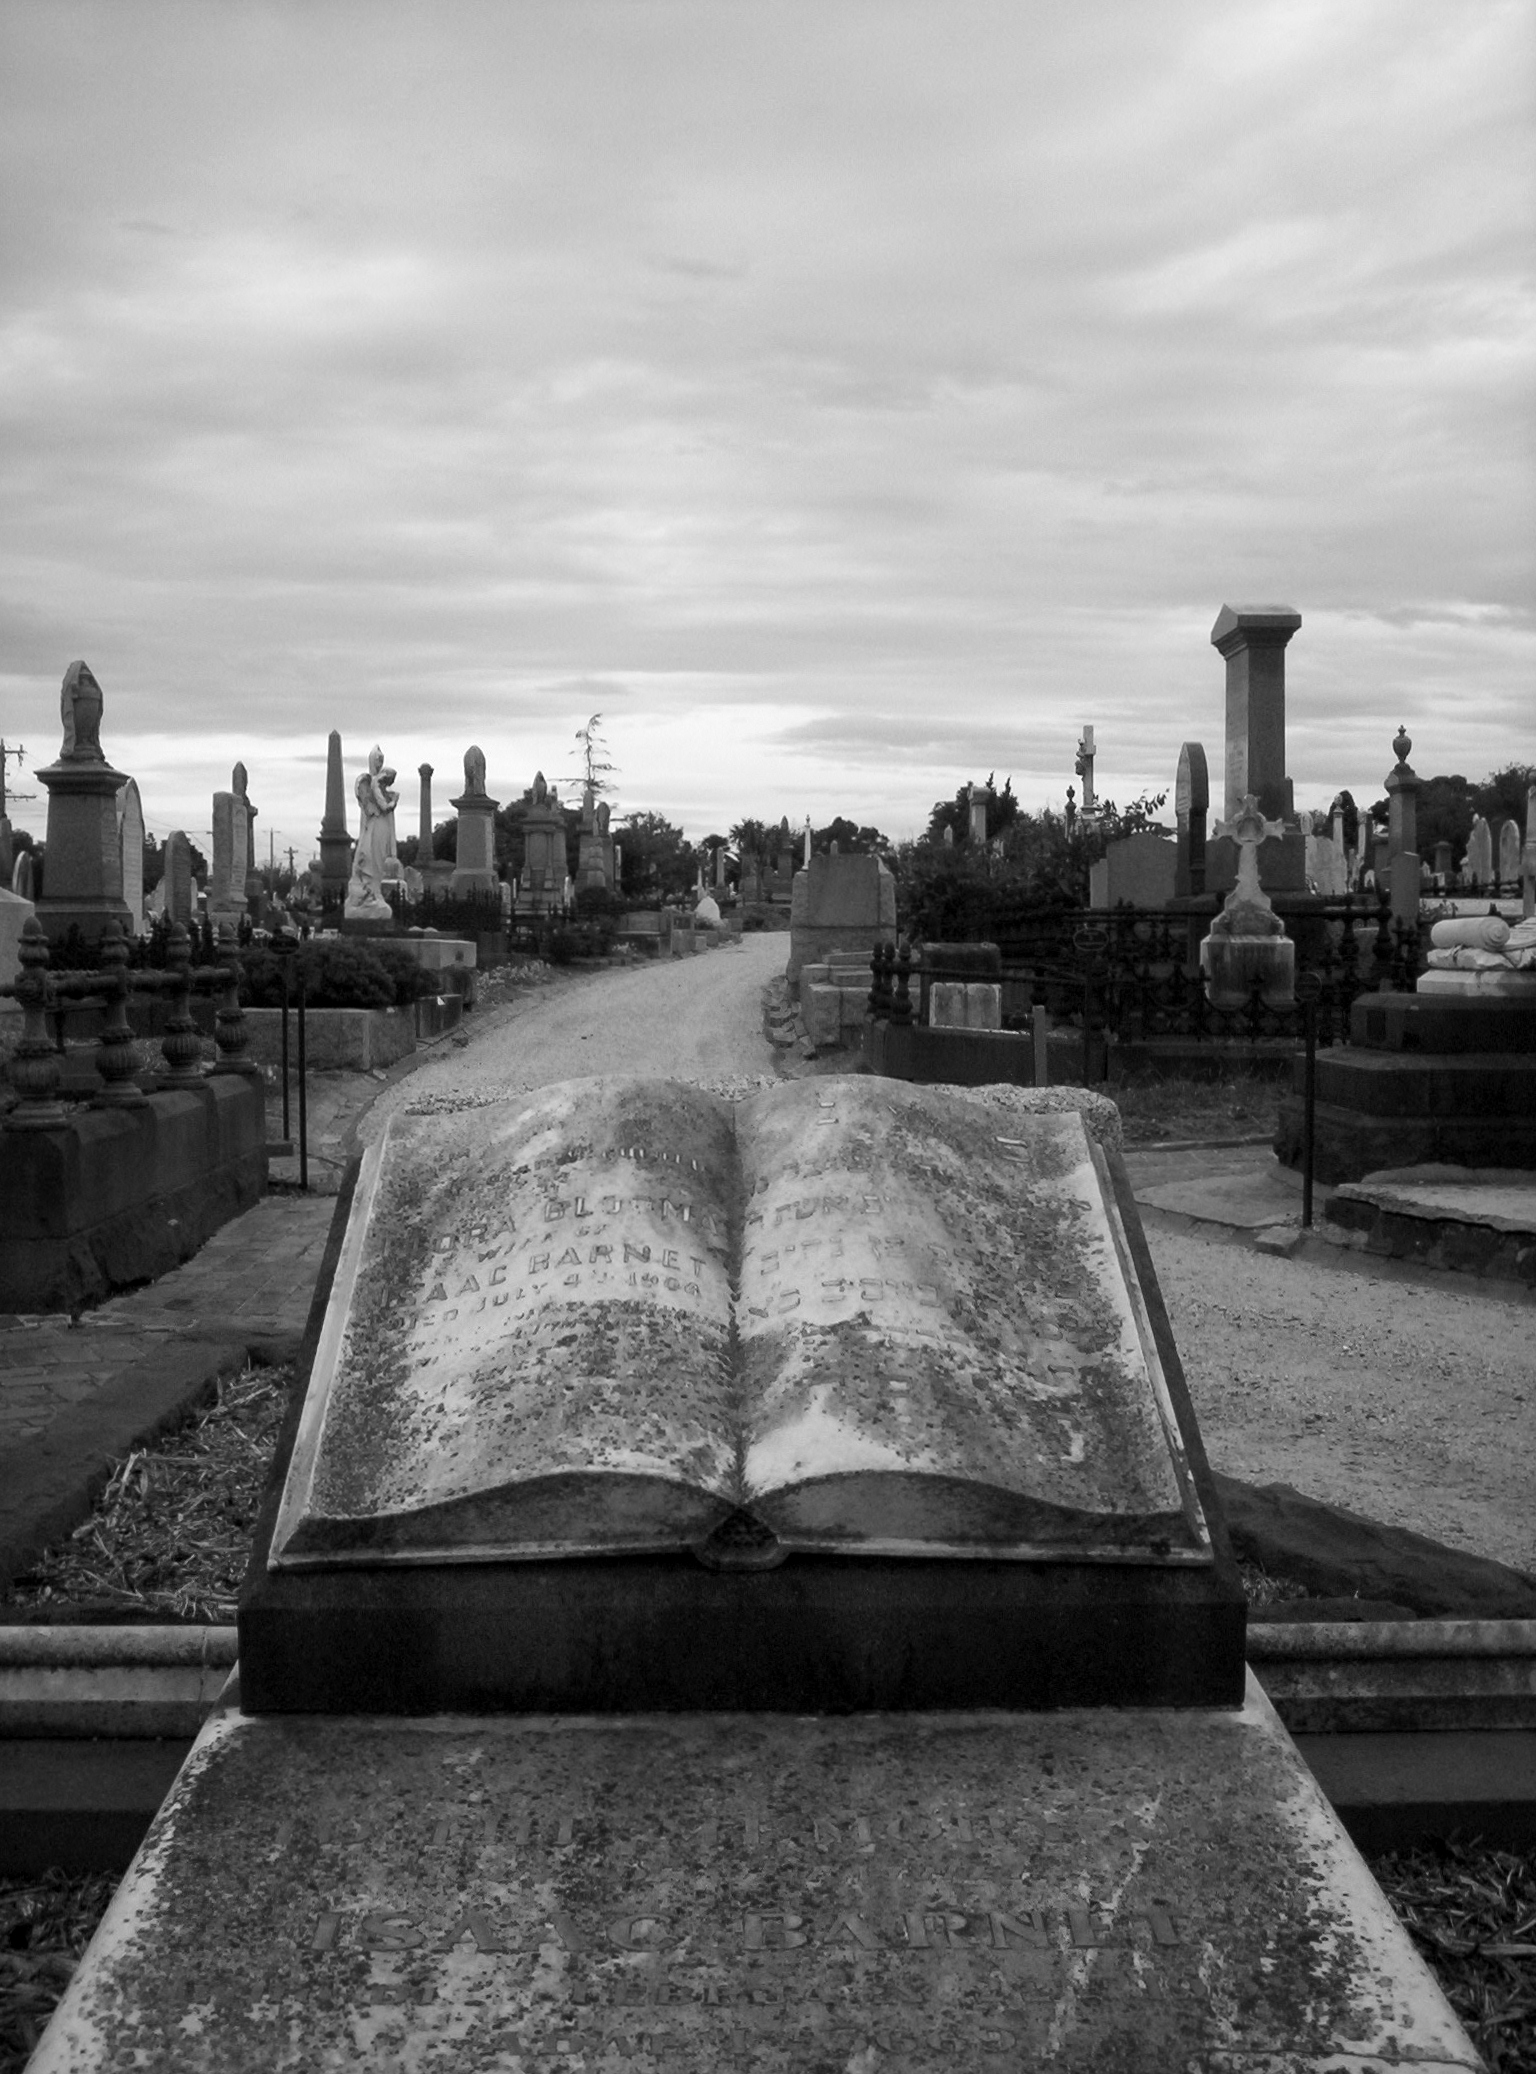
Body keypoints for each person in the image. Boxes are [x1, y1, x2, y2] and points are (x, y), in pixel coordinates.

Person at [347, 747, 398, 912]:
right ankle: (369, 892)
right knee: (371, 856)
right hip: (375, 825)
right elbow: (384, 807)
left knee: (378, 858)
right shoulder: (373, 783)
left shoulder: (379, 785)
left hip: (381, 825)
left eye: (382, 760)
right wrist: (394, 800)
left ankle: (374, 891)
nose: (380, 763)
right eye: (378, 760)